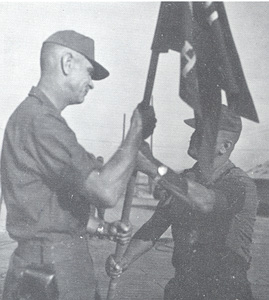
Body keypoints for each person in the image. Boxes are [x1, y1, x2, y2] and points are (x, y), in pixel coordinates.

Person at [0, 30, 156, 300]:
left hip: (48, 263)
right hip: (54, 269)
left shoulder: (36, 118)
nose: (91, 83)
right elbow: (105, 191)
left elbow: (50, 208)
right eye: (88, 71)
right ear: (67, 62)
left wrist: (103, 228)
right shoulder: (41, 122)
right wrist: (136, 132)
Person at [106, 105, 259, 300]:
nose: (194, 136)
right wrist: (124, 260)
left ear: (225, 146)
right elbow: (154, 228)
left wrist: (153, 166)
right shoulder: (186, 179)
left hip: (224, 291)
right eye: (196, 130)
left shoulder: (239, 184)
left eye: (203, 132)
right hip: (184, 288)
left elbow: (205, 202)